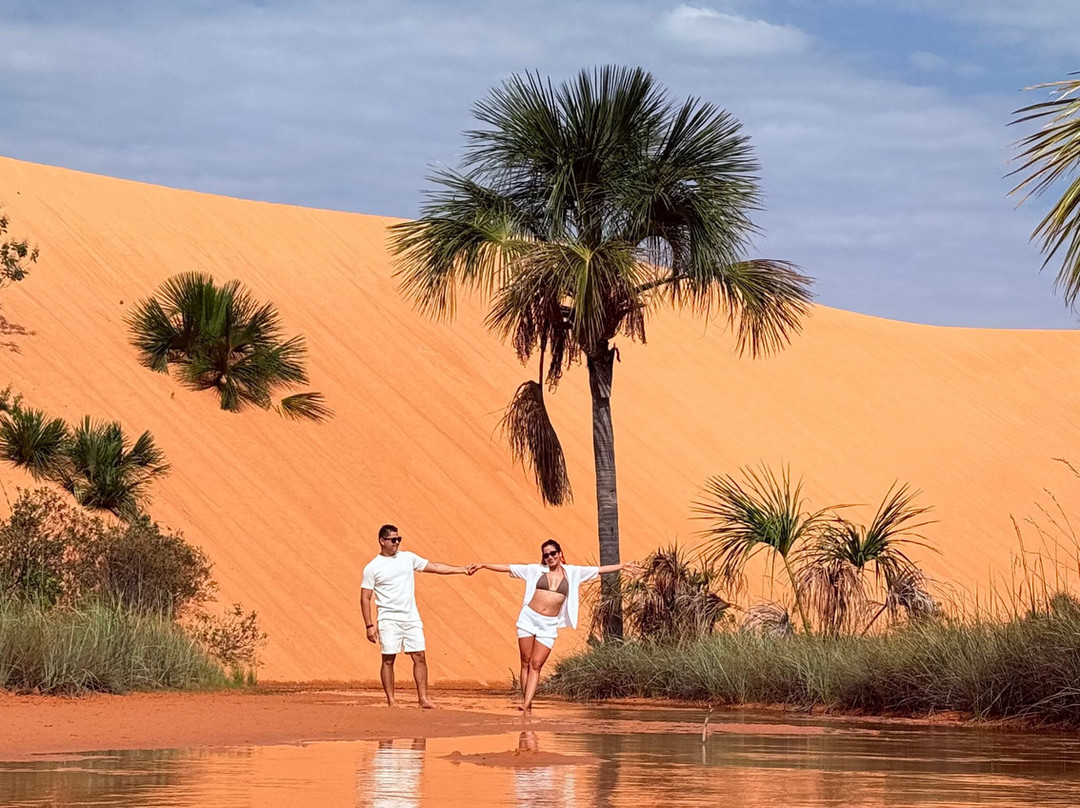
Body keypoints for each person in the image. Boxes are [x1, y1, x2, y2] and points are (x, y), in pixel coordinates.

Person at [470, 540, 640, 714]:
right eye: (546, 555)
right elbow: (508, 567)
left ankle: (527, 702)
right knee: (525, 662)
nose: (549, 557)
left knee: (537, 664)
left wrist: (623, 566)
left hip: (548, 624)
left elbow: (599, 570)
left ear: (559, 553)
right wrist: (483, 565)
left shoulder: (573, 572)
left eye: (552, 553)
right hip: (528, 619)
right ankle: (527, 703)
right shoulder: (535, 570)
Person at [360, 523, 472, 708]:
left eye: (399, 539)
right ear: (382, 541)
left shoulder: (408, 558)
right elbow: (365, 597)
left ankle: (423, 699)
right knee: (388, 658)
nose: (397, 543)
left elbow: (434, 567)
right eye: (393, 540)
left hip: (411, 617)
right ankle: (392, 700)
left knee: (419, 655)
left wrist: (461, 569)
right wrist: (369, 625)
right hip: (388, 618)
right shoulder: (373, 567)